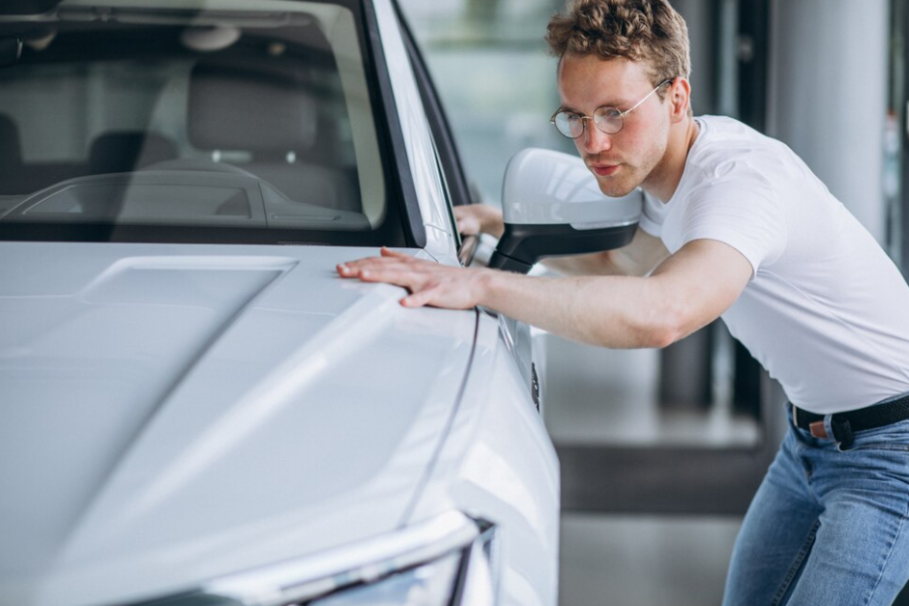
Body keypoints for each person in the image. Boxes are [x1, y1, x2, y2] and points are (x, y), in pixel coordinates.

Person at [338, 0, 909, 603]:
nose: (592, 142)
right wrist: (505, 229)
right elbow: (623, 262)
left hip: (892, 449)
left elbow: (664, 312)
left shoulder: (738, 183)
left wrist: (481, 286)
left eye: (613, 113)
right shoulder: (664, 176)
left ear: (677, 97)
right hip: (812, 442)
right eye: (575, 118)